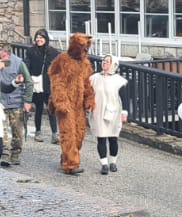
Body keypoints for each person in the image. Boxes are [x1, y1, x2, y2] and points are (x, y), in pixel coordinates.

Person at [47, 33, 95, 175]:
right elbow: (57, 83)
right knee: (68, 134)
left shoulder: (86, 64)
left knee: (79, 135)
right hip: (66, 105)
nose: (85, 50)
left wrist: (90, 99)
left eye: (87, 48)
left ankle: (66, 157)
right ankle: (70, 164)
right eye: (83, 47)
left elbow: (87, 84)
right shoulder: (62, 60)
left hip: (78, 106)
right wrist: (61, 102)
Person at [88, 55, 128, 174]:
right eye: (103, 61)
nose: (104, 63)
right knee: (101, 138)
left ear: (113, 64)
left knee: (113, 138)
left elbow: (124, 98)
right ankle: (104, 164)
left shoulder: (119, 80)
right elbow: (88, 93)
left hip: (113, 113)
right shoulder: (94, 78)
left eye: (107, 62)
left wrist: (124, 112)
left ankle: (113, 162)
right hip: (98, 111)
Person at [0, 43, 32, 166]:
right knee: (2, 131)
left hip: (16, 102)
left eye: (2, 54)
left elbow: (29, 81)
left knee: (17, 133)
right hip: (0, 103)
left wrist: (27, 100)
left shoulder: (18, 63)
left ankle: (15, 154)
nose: (0, 56)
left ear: (7, 53)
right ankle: (4, 155)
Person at [23, 29, 60, 143]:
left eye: (41, 37)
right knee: (38, 108)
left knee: (51, 109)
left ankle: (54, 134)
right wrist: (27, 78)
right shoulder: (31, 51)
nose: (39, 39)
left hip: (48, 84)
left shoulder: (53, 52)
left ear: (46, 39)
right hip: (36, 83)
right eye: (37, 37)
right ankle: (38, 132)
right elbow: (27, 65)